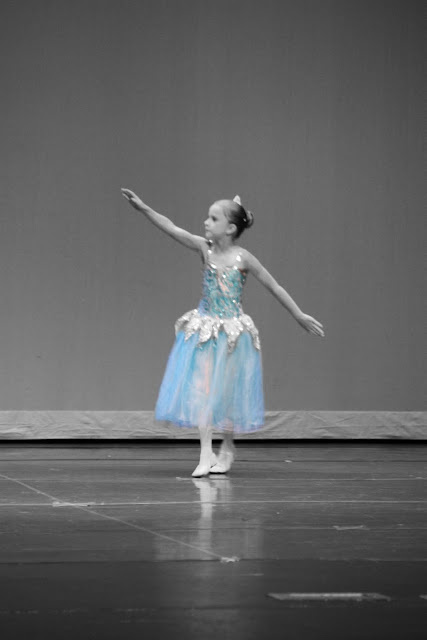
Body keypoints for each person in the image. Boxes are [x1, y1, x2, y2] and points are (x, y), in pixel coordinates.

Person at [121, 188, 325, 477]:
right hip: (205, 330)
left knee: (227, 395)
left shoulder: (244, 258)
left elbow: (274, 286)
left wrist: (298, 314)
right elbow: (172, 228)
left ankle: (227, 449)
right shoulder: (204, 248)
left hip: (232, 335)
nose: (206, 222)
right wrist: (144, 208)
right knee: (203, 391)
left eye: (213, 218)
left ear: (230, 228)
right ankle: (205, 453)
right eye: (208, 217)